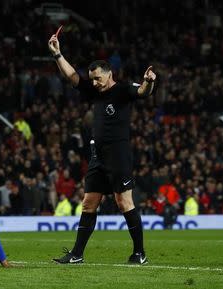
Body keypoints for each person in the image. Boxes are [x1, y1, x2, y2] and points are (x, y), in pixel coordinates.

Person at [48, 32, 156, 265]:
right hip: (97, 155)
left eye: (97, 78)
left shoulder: (123, 89)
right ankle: (77, 254)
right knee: (88, 202)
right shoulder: (94, 91)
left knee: (123, 202)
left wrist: (149, 81)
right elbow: (72, 77)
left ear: (109, 74)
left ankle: (140, 253)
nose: (94, 83)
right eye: (92, 79)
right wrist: (57, 54)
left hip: (118, 154)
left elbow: (143, 93)